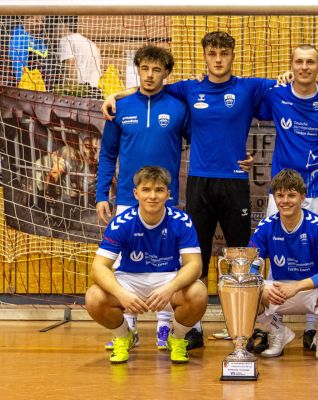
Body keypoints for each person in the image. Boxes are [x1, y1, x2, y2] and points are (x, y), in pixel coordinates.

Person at [101, 32, 318, 349]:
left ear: (232, 56)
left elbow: (302, 80)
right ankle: (192, 329)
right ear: (204, 56)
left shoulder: (250, 87)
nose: (218, 59)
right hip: (199, 183)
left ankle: (243, 328)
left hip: (235, 183)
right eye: (212, 53)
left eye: (224, 53)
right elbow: (150, 87)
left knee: (243, 260)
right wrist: (116, 95)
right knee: (196, 259)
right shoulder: (189, 89)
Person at [97, 45, 189, 352]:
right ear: (137, 70)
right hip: (127, 197)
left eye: (156, 70)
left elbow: (203, 140)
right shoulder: (119, 108)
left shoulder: (178, 107)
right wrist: (101, 194)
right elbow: (107, 154)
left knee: (168, 262)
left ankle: (165, 326)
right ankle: (129, 328)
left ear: (166, 73)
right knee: (124, 264)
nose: (149, 75)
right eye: (144, 69)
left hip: (165, 200)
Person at [255, 44, 318, 349]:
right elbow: (242, 97)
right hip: (281, 192)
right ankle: (275, 328)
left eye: (310, 62)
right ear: (291, 65)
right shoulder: (276, 94)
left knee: (317, 255)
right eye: (299, 62)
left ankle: (312, 328)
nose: (304, 67)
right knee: (272, 249)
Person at [85, 166, 207, 364]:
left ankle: (177, 338)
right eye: (146, 190)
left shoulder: (181, 220)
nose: (152, 196)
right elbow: (98, 267)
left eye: (159, 190)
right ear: (136, 193)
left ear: (168, 194)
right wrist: (120, 293)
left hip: (168, 279)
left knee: (199, 293)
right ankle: (124, 336)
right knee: (94, 297)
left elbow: (195, 265)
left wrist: (171, 288)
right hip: (130, 280)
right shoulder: (121, 222)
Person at [248, 169, 318, 361]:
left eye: (291, 195)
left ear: (302, 197)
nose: (285, 201)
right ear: (274, 198)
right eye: (280, 195)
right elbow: (250, 268)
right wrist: (261, 286)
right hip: (277, 291)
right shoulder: (266, 226)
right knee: (245, 288)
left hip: (310, 290)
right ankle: (277, 331)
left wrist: (297, 287)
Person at [56, 16, 102, 96]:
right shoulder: (90, 43)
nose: (55, 31)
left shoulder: (66, 41)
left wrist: (70, 92)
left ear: (62, 25)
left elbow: (71, 65)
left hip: (81, 91)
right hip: (97, 90)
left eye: (56, 27)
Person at [9, 15, 48, 86]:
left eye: (43, 21)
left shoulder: (40, 41)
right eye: (36, 21)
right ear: (26, 19)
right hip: (26, 86)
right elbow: (17, 64)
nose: (41, 23)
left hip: (40, 86)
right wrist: (23, 83)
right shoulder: (20, 37)